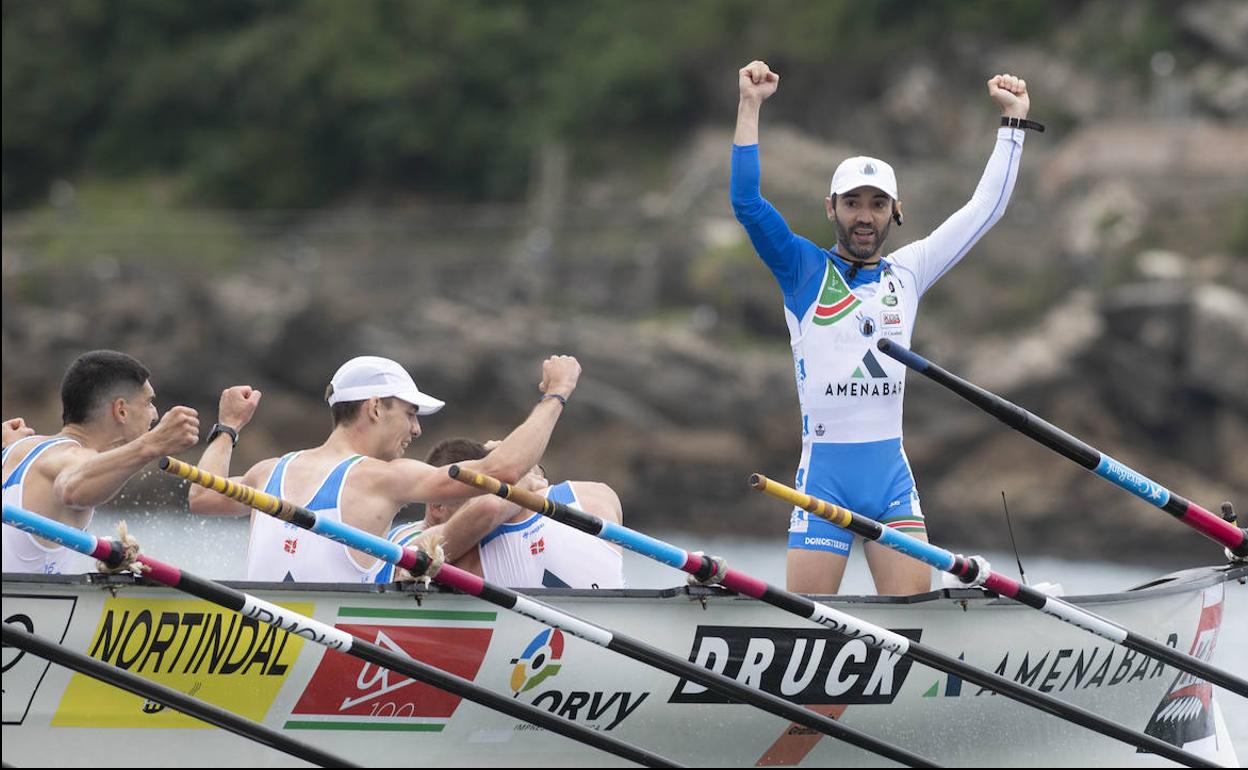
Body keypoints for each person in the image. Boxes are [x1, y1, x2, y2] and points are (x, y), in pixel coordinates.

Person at [732, 60, 1036, 595]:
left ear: (897, 210)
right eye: (852, 204)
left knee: (914, 633)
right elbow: (747, 204)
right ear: (831, 208)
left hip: (891, 485)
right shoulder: (802, 269)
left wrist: (1012, 125)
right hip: (821, 481)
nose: (864, 216)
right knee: (806, 634)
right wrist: (750, 105)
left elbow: (984, 209)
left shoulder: (910, 271)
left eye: (877, 204)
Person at [188, 355, 582, 583]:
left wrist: (228, 428)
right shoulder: (383, 478)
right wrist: (557, 394)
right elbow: (505, 470)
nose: (417, 428)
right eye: (410, 414)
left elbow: (202, 496)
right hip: (325, 656)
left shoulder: (266, 471)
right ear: (375, 408)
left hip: (265, 643)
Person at [2, 350, 200, 573]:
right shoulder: (70, 457)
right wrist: (151, 445)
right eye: (148, 402)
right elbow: (72, 488)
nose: (154, 414)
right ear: (121, 410)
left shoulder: (16, 448)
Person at [376, 437, 625, 589]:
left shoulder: (598, 496)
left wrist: (514, 475)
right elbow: (489, 509)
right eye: (474, 499)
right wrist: (523, 478)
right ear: (438, 506)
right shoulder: (405, 540)